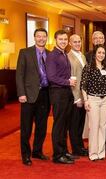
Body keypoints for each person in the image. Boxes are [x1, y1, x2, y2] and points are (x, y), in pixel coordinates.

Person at [16, 28, 51, 166]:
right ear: (34, 37)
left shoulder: (49, 54)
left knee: (42, 126)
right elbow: (19, 74)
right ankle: (26, 155)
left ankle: (37, 151)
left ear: (46, 38)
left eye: (44, 36)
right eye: (39, 36)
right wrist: (21, 93)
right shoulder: (25, 52)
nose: (41, 38)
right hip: (28, 95)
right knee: (26, 127)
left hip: (45, 94)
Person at [46, 30, 77, 164]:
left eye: (65, 39)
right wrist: (67, 82)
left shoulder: (63, 54)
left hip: (66, 92)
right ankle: (58, 155)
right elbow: (51, 77)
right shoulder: (52, 56)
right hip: (58, 93)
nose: (63, 41)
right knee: (59, 125)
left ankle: (64, 151)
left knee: (65, 124)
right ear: (55, 40)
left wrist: (68, 83)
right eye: (61, 39)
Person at [81, 45, 106, 161]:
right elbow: (83, 85)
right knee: (93, 127)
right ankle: (93, 153)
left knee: (103, 126)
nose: (101, 55)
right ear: (95, 54)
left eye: (103, 53)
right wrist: (86, 100)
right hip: (93, 99)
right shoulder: (88, 67)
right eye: (99, 52)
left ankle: (101, 152)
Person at [67, 34, 88, 157]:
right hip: (76, 97)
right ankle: (75, 148)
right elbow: (72, 80)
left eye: (79, 41)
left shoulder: (82, 56)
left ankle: (80, 146)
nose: (77, 44)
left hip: (83, 95)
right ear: (70, 43)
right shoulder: (68, 57)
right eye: (74, 42)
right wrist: (77, 98)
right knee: (74, 125)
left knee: (81, 123)